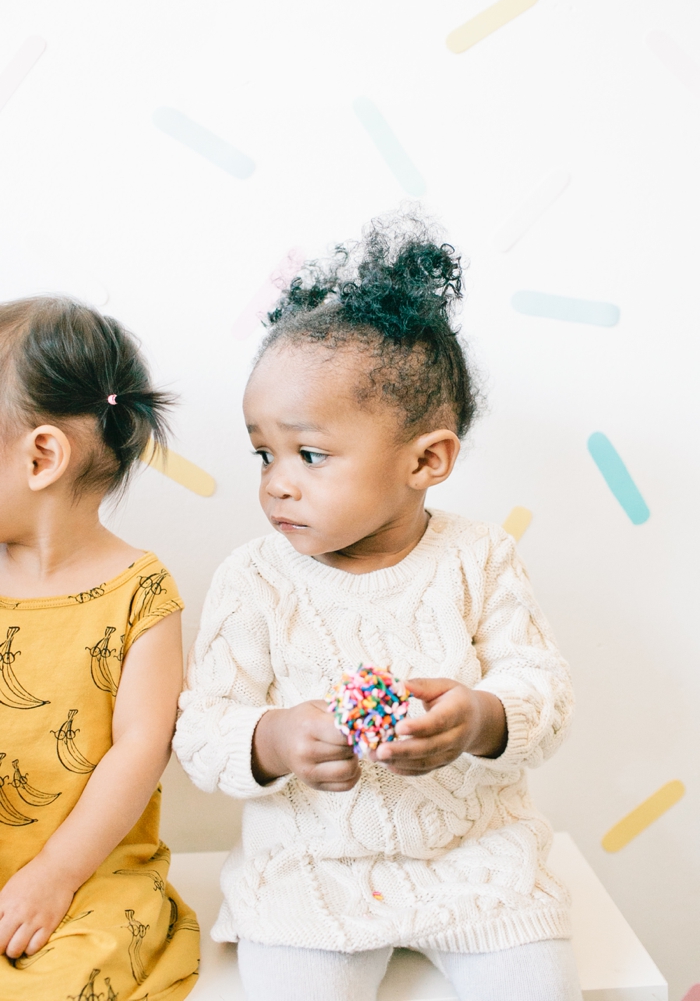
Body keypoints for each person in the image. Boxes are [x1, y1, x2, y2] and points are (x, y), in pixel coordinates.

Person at [174, 213, 581, 1001]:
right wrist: (272, 738)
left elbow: (547, 692)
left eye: (309, 454)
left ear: (427, 460)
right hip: (311, 879)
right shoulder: (252, 578)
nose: (277, 482)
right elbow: (200, 730)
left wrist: (480, 717)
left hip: (478, 867)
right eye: (264, 453)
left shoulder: (481, 558)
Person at [0, 297, 199, 1000]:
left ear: (42, 457)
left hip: (89, 871)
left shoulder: (141, 591)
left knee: (73, 976)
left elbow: (141, 748)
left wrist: (55, 874)